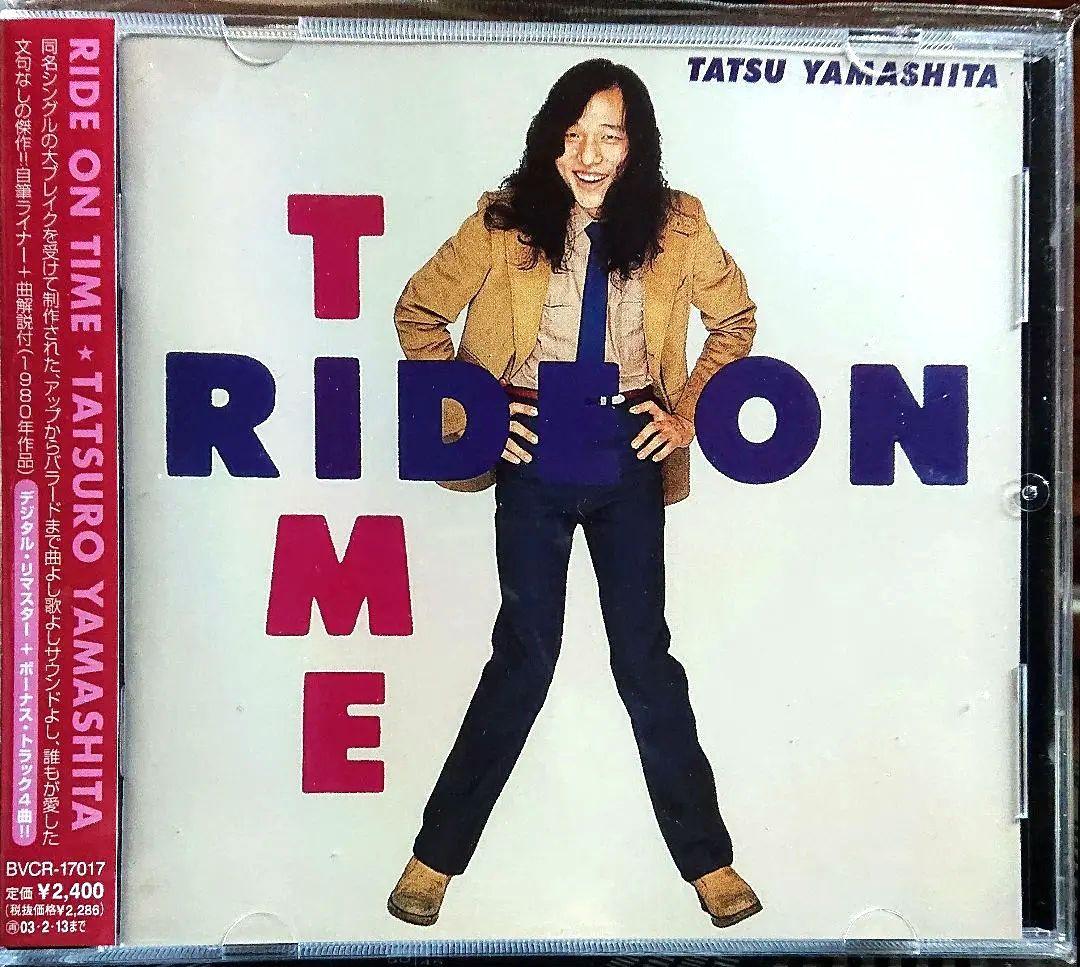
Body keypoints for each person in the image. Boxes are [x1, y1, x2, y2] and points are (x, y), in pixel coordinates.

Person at [388, 58, 761, 930]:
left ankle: (709, 864)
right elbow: (418, 312)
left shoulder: (677, 223)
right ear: (548, 140)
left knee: (645, 659)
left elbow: (735, 319)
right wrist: (477, 415)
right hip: (534, 446)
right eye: (572, 136)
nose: (588, 156)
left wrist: (686, 415)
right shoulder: (503, 220)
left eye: (609, 136)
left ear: (637, 145)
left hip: (627, 450)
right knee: (524, 658)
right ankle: (432, 860)